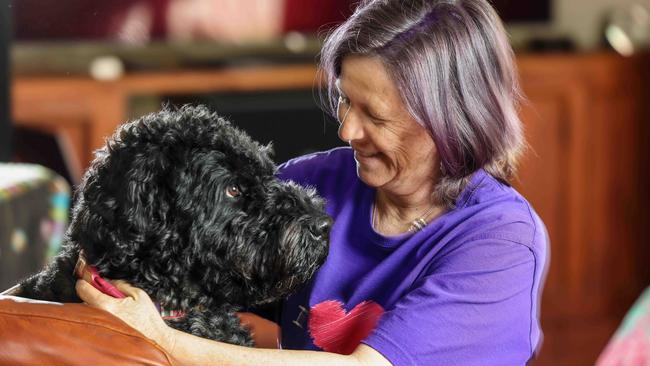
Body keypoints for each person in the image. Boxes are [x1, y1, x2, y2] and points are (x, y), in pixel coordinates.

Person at [75, 0, 549, 365]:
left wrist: (159, 338)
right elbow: (176, 260)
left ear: (452, 120)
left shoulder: (501, 242)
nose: (347, 132)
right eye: (346, 101)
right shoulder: (315, 184)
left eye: (375, 116)